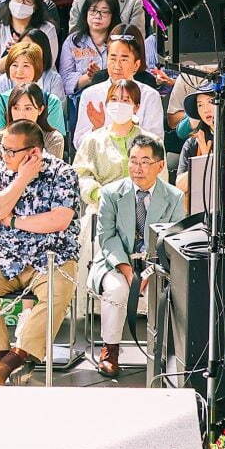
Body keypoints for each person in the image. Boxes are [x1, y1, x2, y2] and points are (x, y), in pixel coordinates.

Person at [0, 120, 80, 385]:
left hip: (52, 256)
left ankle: (14, 359)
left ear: (34, 153)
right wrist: (22, 179)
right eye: (4, 148)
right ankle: (6, 358)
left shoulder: (63, 173)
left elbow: (58, 220)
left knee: (55, 295)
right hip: (3, 255)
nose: (4, 155)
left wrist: (14, 221)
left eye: (11, 151)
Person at [89, 133, 182, 376]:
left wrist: (152, 270)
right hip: (116, 262)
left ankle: (160, 351)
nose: (137, 168)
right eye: (133, 160)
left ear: (160, 166)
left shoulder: (173, 197)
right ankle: (110, 350)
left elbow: (174, 238)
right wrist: (128, 271)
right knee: (117, 289)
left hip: (156, 265)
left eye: (144, 161)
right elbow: (106, 237)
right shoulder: (111, 193)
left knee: (163, 293)